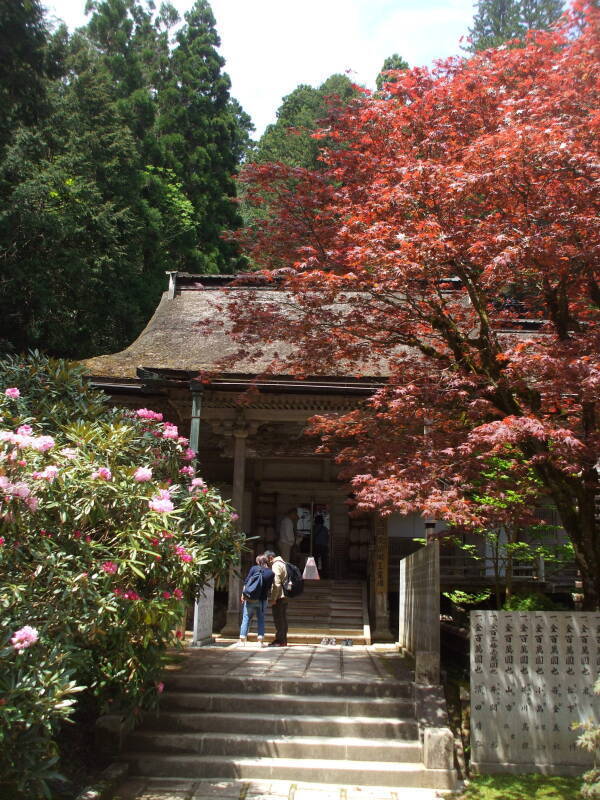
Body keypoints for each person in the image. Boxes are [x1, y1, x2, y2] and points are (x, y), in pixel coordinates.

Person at [239, 554, 274, 646]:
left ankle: (242, 638)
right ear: (267, 561)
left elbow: (246, 582)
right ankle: (260, 639)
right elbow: (269, 588)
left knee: (246, 618)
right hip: (262, 600)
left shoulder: (254, 569)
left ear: (258, 562)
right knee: (261, 619)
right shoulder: (271, 573)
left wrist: (243, 595)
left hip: (250, 598)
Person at [264, 549, 288, 647]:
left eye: (266, 560)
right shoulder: (283, 563)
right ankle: (283, 640)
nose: (267, 563)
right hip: (285, 595)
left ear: (270, 558)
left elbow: (276, 583)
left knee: (278, 619)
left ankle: (280, 640)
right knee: (283, 618)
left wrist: (273, 598)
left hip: (279, 595)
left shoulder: (276, 565)